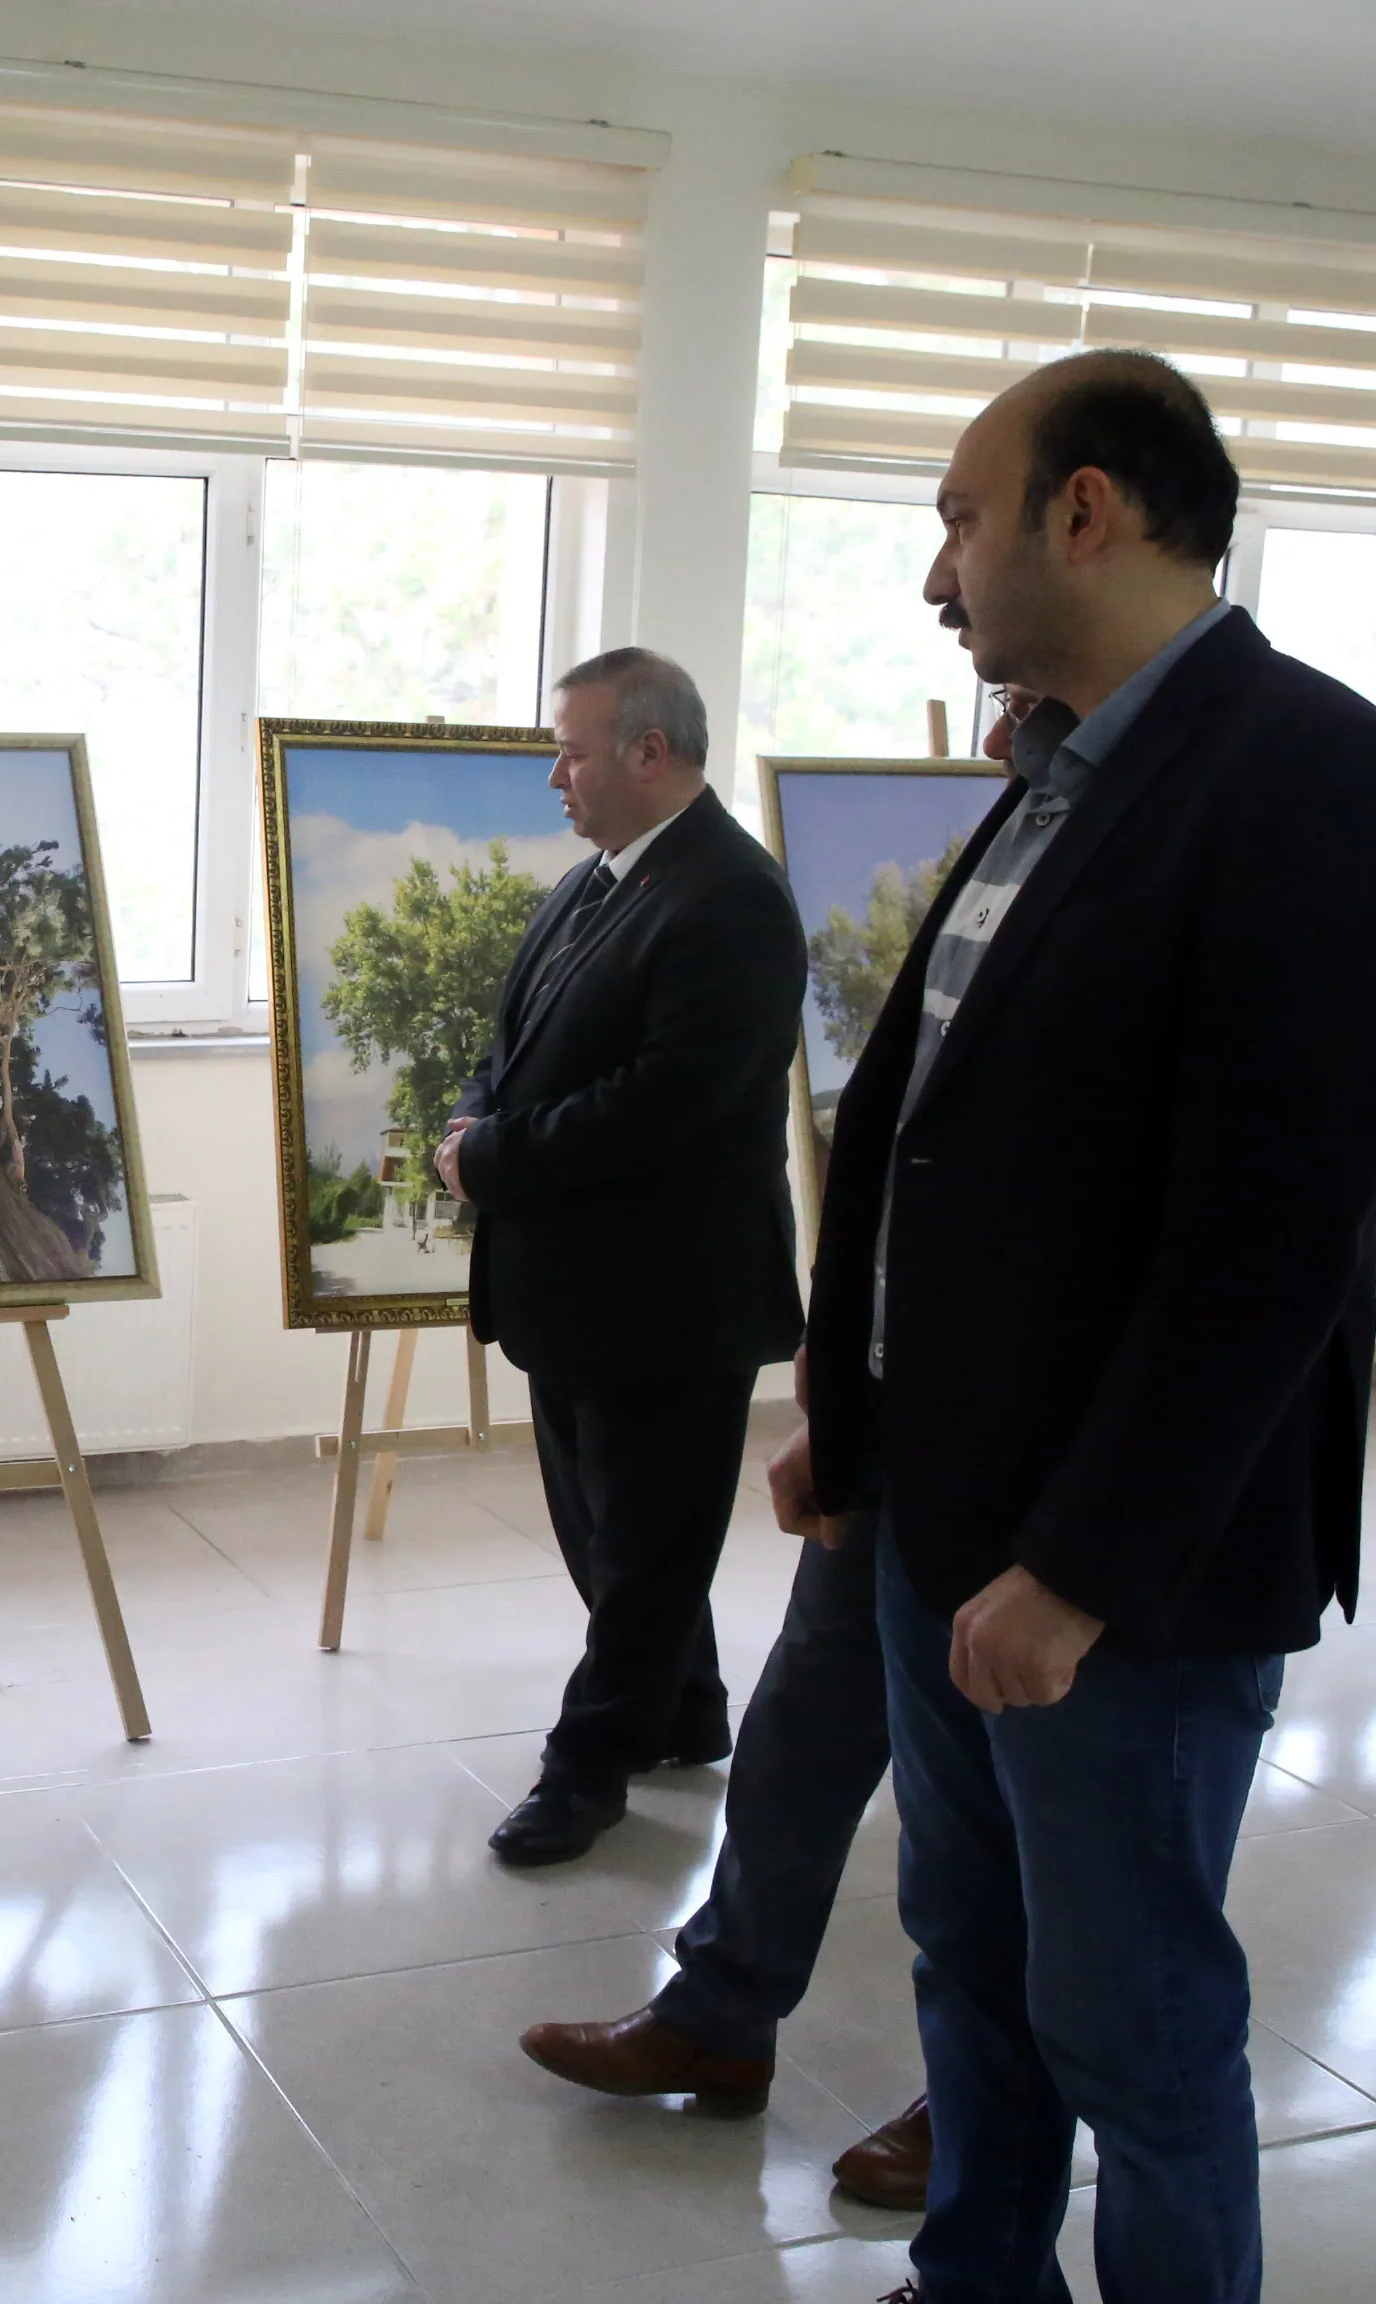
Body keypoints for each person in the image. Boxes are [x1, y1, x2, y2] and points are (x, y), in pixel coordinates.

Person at [789, 349, 1376, 2304]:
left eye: (959, 518)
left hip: (1116, 1576)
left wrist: (1074, 1572)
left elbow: (1268, 1244)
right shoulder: (1058, 778)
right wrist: (861, 1414)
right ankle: (980, 2275)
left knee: (1136, 2019)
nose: (937, 577)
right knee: (967, 1960)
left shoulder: (1314, 779)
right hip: (946, 1512)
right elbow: (946, 1144)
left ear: (1091, 511)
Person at [513, 688, 1041, 2211]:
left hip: (1023, 1451)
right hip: (899, 1417)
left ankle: (993, 2104)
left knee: (987, 1821)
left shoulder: (1227, 820)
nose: (988, 724)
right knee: (800, 1757)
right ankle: (716, 2019)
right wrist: (839, 1396)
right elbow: (897, 1146)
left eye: (967, 531)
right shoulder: (1011, 843)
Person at [435, 647, 807, 1867]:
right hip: (573, 1295)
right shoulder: (597, 883)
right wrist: (474, 1118)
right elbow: (522, 1038)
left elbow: (666, 1103)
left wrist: (491, 1158)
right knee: (609, 1538)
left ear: (650, 753)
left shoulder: (731, 898)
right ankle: (686, 1711)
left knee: (644, 1553)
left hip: (669, 1304)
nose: (556, 774)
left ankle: (584, 1773)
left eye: (574, 750)